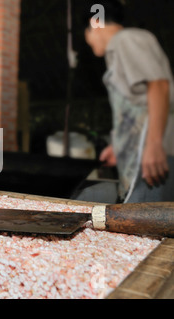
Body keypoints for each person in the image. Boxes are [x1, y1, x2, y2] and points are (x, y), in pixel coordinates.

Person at [83, 0, 174, 203]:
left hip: (153, 159)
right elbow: (136, 106)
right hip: (141, 158)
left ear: (94, 23)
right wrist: (118, 146)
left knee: (147, 229)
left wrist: (155, 144)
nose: (88, 42)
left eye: (86, 33)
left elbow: (158, 85)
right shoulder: (118, 51)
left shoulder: (127, 39)